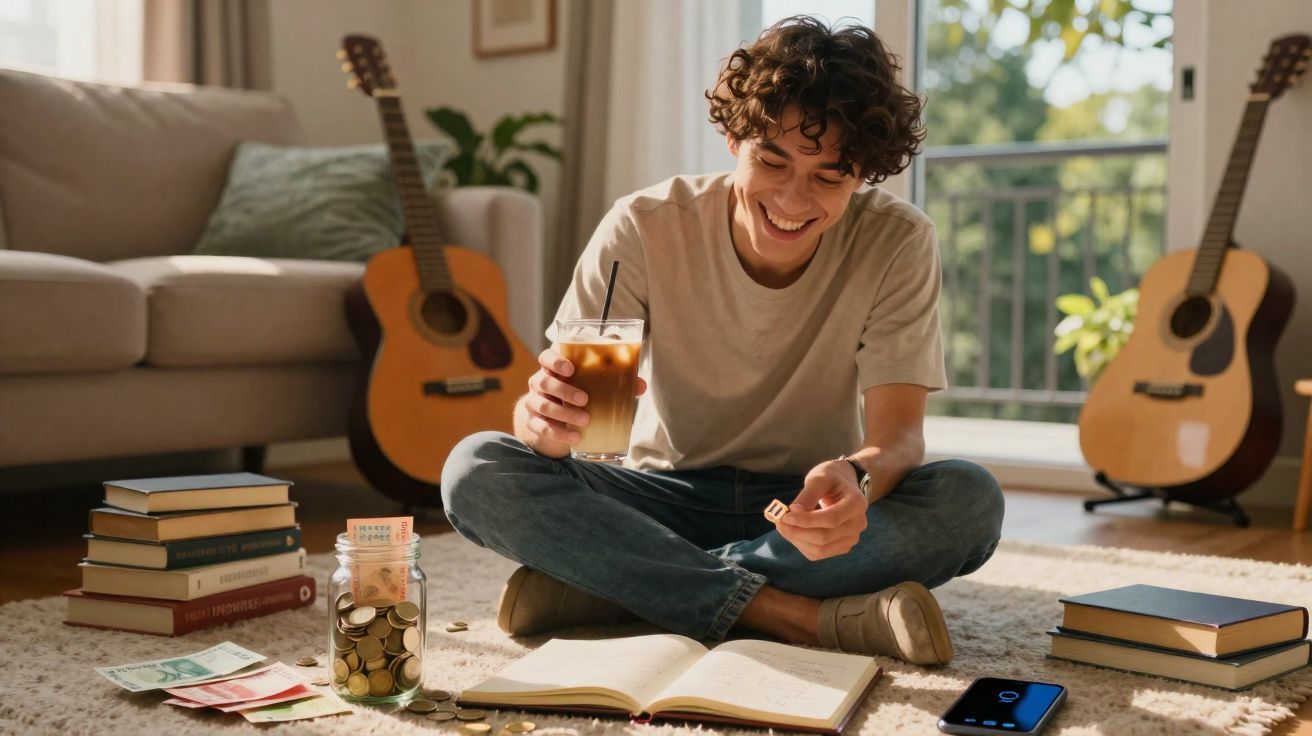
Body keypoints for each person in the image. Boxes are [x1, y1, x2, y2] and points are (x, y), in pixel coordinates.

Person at [440, 16, 1004, 666]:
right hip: (662, 494)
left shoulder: (898, 242)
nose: (794, 198)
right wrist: (544, 424)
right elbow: (578, 432)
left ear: (864, 175)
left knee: (969, 500)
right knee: (478, 467)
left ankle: (617, 588)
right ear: (733, 136)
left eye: (830, 175)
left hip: (807, 507)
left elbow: (899, 437)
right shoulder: (643, 227)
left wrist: (855, 474)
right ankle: (795, 615)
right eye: (773, 159)